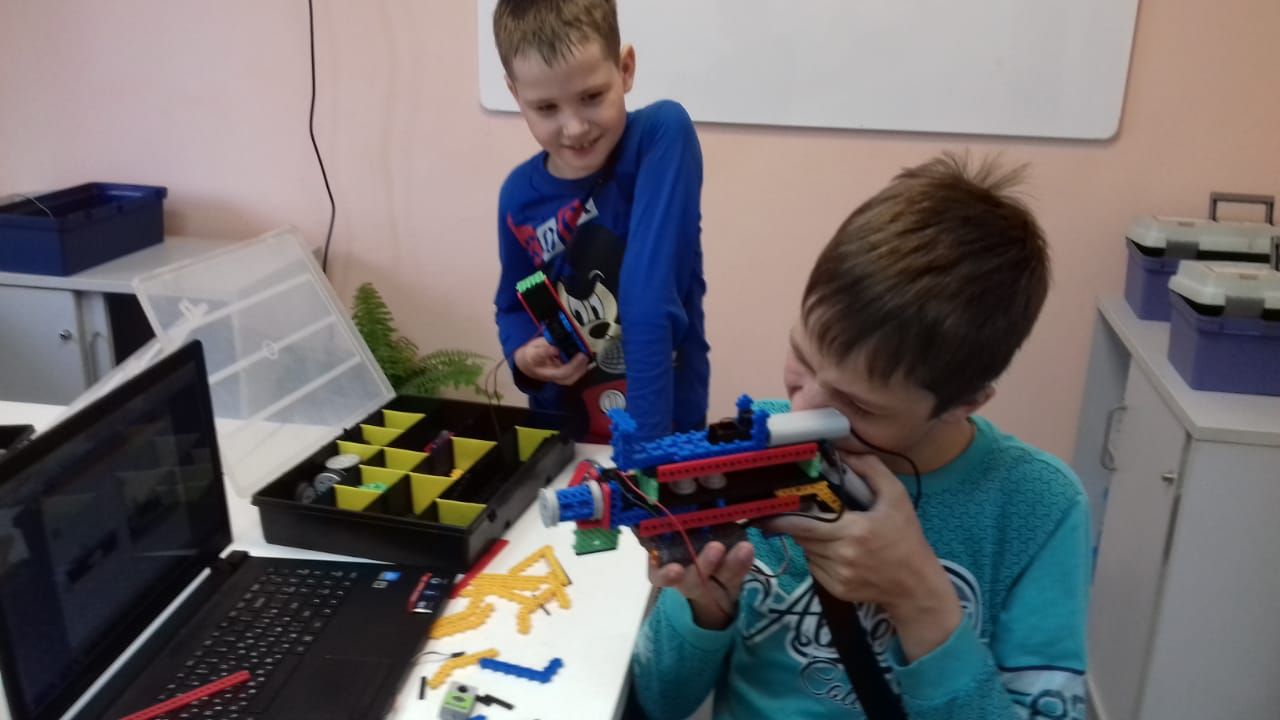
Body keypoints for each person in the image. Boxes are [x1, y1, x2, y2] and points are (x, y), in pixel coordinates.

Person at [631, 153, 1090, 719]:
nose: (802, 410)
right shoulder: (753, 449)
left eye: (857, 405)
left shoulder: (1038, 509)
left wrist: (918, 600)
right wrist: (705, 612)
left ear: (963, 404)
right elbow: (657, 701)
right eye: (801, 358)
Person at [491, 0, 709, 442]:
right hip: (565, 432)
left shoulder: (660, 136)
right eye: (546, 107)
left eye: (591, 97)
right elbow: (516, 300)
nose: (574, 128)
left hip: (661, 429)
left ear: (625, 69)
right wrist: (523, 356)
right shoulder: (517, 197)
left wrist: (647, 450)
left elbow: (651, 298)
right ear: (515, 95)